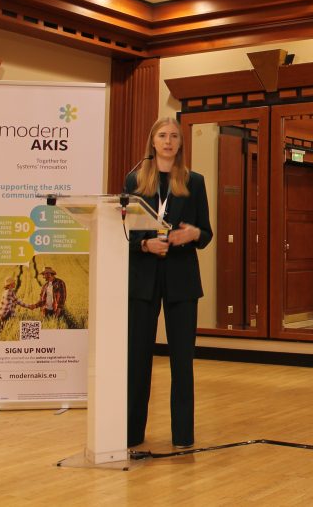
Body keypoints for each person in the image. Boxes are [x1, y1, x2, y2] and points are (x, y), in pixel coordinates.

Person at [125, 117, 212, 449]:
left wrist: (193, 234)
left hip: (181, 279)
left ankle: (183, 436)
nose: (168, 141)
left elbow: (206, 233)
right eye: (162, 135)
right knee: (137, 359)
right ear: (152, 141)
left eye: (174, 136)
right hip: (143, 279)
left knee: (182, 361)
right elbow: (125, 234)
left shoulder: (195, 181)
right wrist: (145, 245)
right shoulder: (135, 180)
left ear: (180, 143)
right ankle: (132, 433)